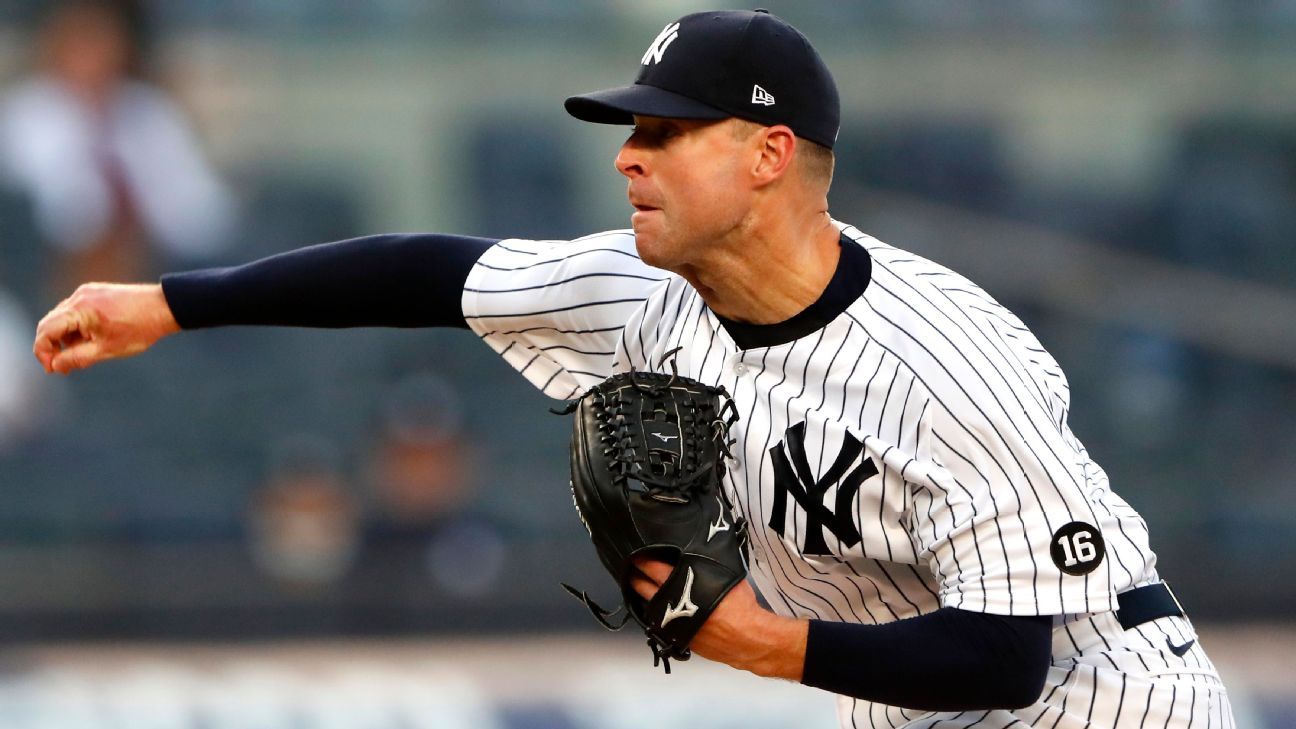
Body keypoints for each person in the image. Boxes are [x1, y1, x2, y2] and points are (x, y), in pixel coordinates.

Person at [32, 9, 1233, 727]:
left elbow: (1002, 655)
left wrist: (763, 642)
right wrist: (171, 304)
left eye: (664, 131)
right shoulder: (643, 287)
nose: (629, 158)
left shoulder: (947, 364)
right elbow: (424, 273)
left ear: (768, 155)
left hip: (1104, 700)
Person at [0, 0, 235, 299]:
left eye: (102, 38)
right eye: (80, 38)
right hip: (50, 289)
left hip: (160, 280)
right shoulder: (24, 116)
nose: (92, 54)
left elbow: (206, 217)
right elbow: (66, 218)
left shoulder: (150, 111)